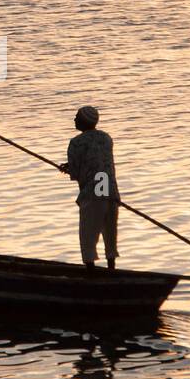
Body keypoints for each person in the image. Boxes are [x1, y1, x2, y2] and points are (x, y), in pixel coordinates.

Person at [58, 105, 119, 270]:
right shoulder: (106, 138)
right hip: (108, 188)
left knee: (88, 236)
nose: (74, 119)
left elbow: (77, 172)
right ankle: (111, 269)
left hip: (93, 192)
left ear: (83, 122)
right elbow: (97, 161)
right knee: (110, 233)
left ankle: (91, 272)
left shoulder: (76, 143)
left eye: (77, 117)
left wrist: (68, 168)